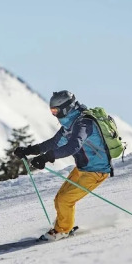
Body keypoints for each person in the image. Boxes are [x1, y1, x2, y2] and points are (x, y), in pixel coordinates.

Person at [14, 90, 111, 241]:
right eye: (52, 111)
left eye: (55, 111)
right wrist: (30, 150)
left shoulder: (83, 123)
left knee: (65, 200)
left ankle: (62, 230)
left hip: (97, 171)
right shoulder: (70, 124)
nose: (54, 114)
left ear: (65, 108)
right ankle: (64, 226)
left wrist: (47, 157)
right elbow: (54, 143)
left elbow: (73, 146)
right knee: (59, 198)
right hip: (83, 169)